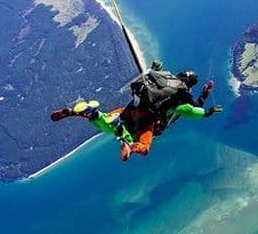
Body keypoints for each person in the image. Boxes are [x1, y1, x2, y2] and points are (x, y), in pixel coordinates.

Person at [51, 62, 222, 161]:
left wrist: (154, 67)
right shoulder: (180, 99)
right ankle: (130, 145)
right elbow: (192, 111)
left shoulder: (164, 80)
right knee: (144, 146)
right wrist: (208, 112)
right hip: (148, 121)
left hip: (132, 108)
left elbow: (149, 75)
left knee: (107, 124)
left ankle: (93, 114)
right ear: (190, 84)